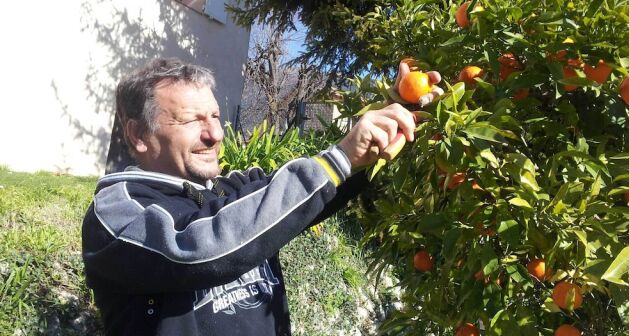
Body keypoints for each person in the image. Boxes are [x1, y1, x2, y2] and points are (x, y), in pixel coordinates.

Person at [82, 57, 442, 336]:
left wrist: (398, 115)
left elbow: (302, 197)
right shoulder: (118, 213)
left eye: (216, 116)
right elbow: (197, 247)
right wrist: (340, 158)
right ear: (140, 133)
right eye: (193, 120)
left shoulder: (230, 190)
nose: (216, 133)